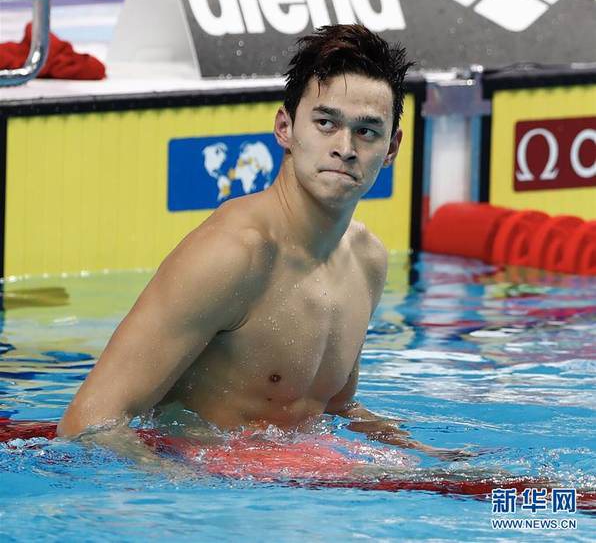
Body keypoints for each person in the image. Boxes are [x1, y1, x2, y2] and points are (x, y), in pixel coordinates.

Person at [58, 24, 470, 461]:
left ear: (392, 148)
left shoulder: (367, 260)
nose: (345, 148)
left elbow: (334, 408)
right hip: (204, 483)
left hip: (285, 484)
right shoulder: (233, 255)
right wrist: (182, 487)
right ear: (285, 128)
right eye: (326, 123)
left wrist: (427, 455)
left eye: (367, 131)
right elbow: (87, 423)